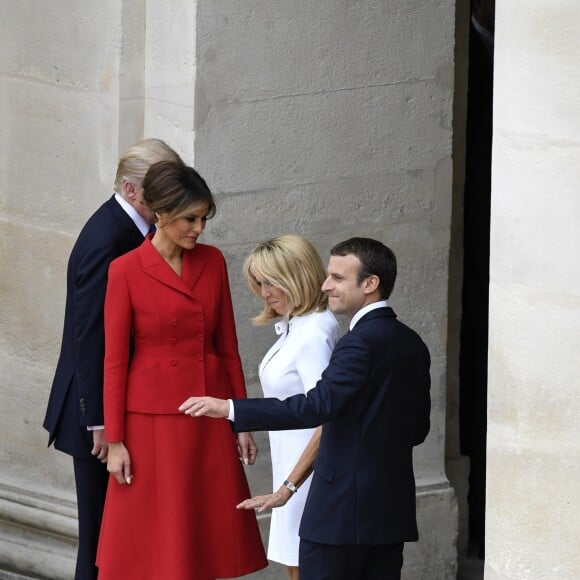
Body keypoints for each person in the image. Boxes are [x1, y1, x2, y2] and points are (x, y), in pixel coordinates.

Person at [180, 237, 431, 580]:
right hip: (387, 510)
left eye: (338, 278)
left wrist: (231, 409)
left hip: (336, 507)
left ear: (370, 284)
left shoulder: (354, 343)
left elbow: (316, 408)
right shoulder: (411, 343)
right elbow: (418, 430)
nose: (326, 286)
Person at [96, 160, 267, 580]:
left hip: (208, 414)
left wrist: (239, 419)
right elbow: (114, 361)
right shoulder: (125, 270)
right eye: (191, 218)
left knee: (203, 535)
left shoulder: (212, 262)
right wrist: (115, 441)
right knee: (152, 543)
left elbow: (227, 345)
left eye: (204, 218)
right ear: (161, 212)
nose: (199, 228)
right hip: (150, 421)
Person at [43, 138, 182, 580]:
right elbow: (90, 338)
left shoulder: (133, 231)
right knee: (101, 544)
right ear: (131, 189)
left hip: (115, 411)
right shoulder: (109, 239)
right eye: (162, 190)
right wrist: (99, 422)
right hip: (95, 418)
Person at [237, 235, 340, 580]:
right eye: (260, 283)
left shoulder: (314, 332)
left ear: (296, 276)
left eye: (271, 282)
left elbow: (327, 417)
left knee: (304, 569)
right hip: (290, 470)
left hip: (305, 476)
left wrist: (291, 486)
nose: (264, 292)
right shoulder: (296, 327)